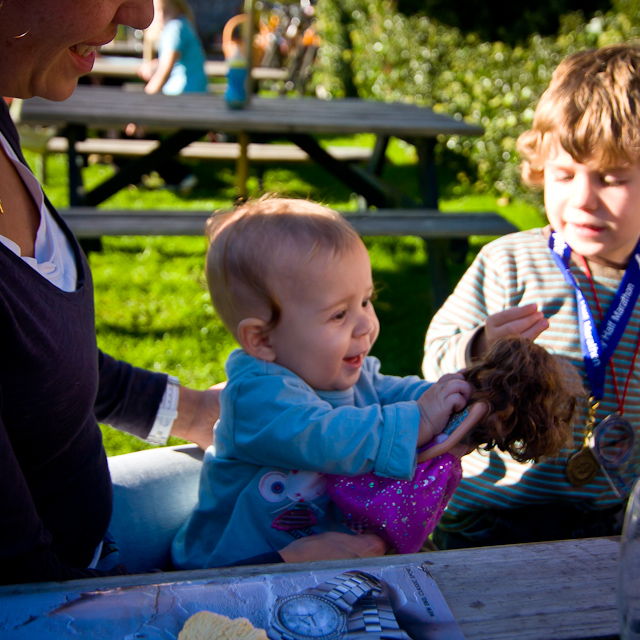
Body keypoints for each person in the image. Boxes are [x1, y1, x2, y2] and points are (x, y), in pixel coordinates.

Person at [0, 0, 384, 586]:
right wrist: (278, 571)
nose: (141, 14)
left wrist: (197, 410)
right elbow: (26, 592)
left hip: (91, 527)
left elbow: (41, 366)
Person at [171, 197, 476, 569]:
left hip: (314, 565)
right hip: (226, 575)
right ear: (263, 339)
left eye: (366, 301)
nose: (365, 325)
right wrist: (420, 421)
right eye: (339, 314)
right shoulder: (257, 397)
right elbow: (325, 437)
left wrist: (451, 395)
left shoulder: (344, 372)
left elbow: (389, 390)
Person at [423, 43, 640, 549]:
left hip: (611, 517)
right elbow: (434, 358)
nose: (582, 198)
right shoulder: (509, 262)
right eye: (564, 175)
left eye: (612, 179)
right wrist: (479, 348)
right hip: (489, 514)